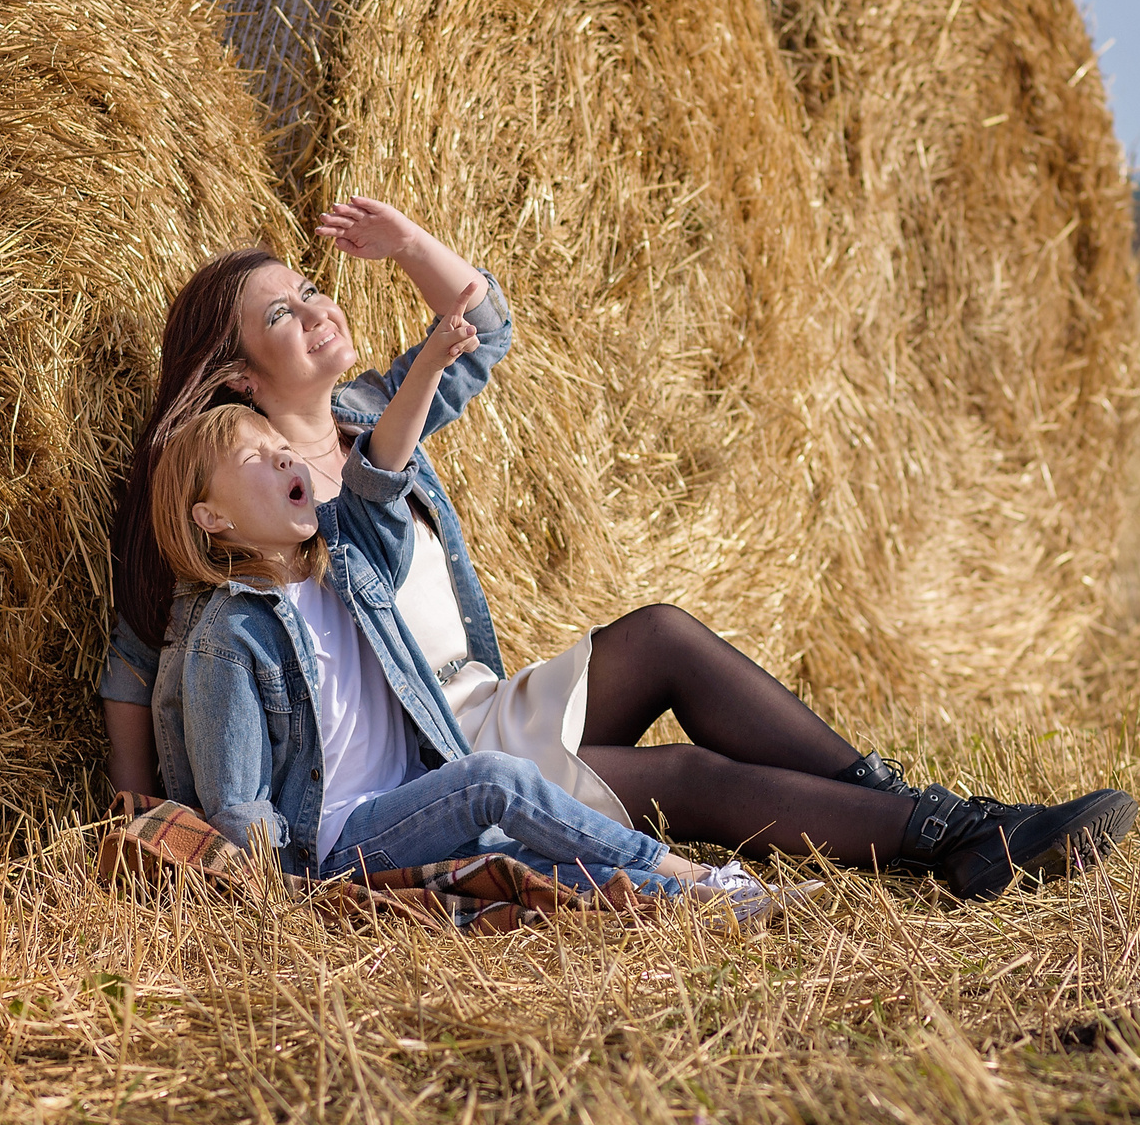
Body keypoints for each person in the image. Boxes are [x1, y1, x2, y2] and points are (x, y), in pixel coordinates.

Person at [105, 199, 1134, 900]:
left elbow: (485, 329)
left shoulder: (373, 413)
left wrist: (410, 243)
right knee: (679, 776)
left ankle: (931, 811)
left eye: (311, 288)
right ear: (234, 375)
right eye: (280, 313)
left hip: (481, 696)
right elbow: (143, 649)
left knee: (663, 634)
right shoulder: (233, 492)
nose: (318, 307)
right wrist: (142, 800)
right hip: (434, 751)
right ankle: (955, 842)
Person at [145, 348, 797, 922]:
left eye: (277, 443)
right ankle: (686, 870)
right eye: (253, 456)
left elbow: (383, 474)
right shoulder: (230, 633)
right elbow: (238, 802)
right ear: (212, 517)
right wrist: (284, 901)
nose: (283, 452)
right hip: (335, 842)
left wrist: (430, 364)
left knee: (542, 869)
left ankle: (711, 902)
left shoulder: (344, 567)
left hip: (407, 803)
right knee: (492, 780)